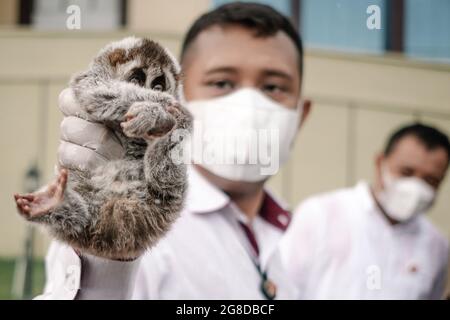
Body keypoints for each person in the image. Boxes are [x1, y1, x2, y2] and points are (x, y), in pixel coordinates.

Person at [36, 3, 311, 299]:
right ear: (178, 98)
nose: (247, 107)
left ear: (301, 115)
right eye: (221, 82)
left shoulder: (298, 235)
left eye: (272, 87)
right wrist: (105, 258)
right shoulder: (134, 212)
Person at [280, 123, 450, 299]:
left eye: (430, 180)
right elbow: (281, 289)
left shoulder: (436, 245)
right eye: (406, 172)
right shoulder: (321, 214)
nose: (416, 187)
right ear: (379, 163)